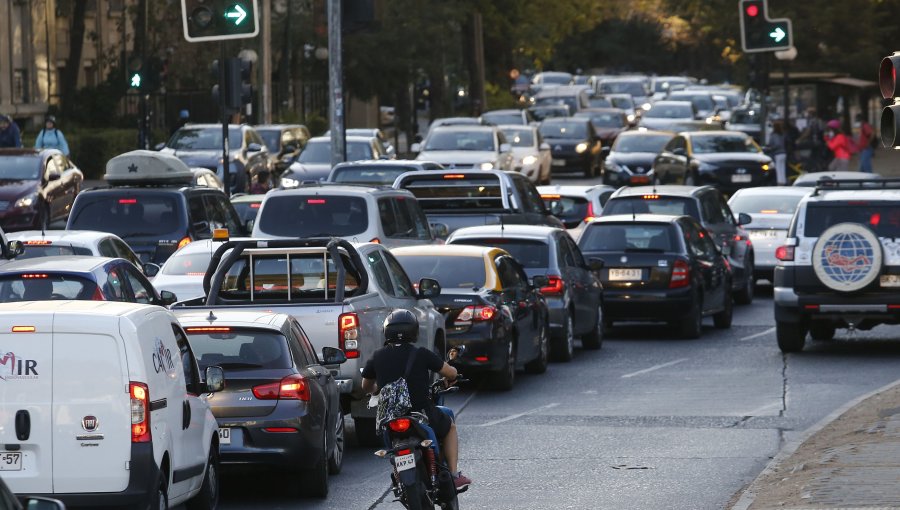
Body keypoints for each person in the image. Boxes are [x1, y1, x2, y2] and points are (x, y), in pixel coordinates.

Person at [361, 310, 472, 491]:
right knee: (449, 424)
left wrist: (377, 390)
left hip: (390, 420)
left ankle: (399, 478)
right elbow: (451, 373)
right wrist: (453, 374)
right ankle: (453, 474)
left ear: (386, 331)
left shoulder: (377, 356)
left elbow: (366, 386)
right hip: (421, 413)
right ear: (414, 331)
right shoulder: (421, 353)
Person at [797, 107, 826, 172]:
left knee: (809, 156)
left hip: (814, 142)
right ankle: (819, 168)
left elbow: (808, 132)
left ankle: (810, 168)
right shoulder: (820, 120)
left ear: (811, 113)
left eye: (808, 113)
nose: (807, 114)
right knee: (816, 156)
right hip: (820, 141)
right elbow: (823, 131)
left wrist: (799, 140)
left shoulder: (811, 121)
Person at [766, 120, 787, 185]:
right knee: (782, 168)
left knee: (778, 168)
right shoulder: (782, 134)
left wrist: (771, 148)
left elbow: (777, 144)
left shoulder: (774, 135)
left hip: (778, 153)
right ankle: (783, 181)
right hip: (783, 153)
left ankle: (779, 182)